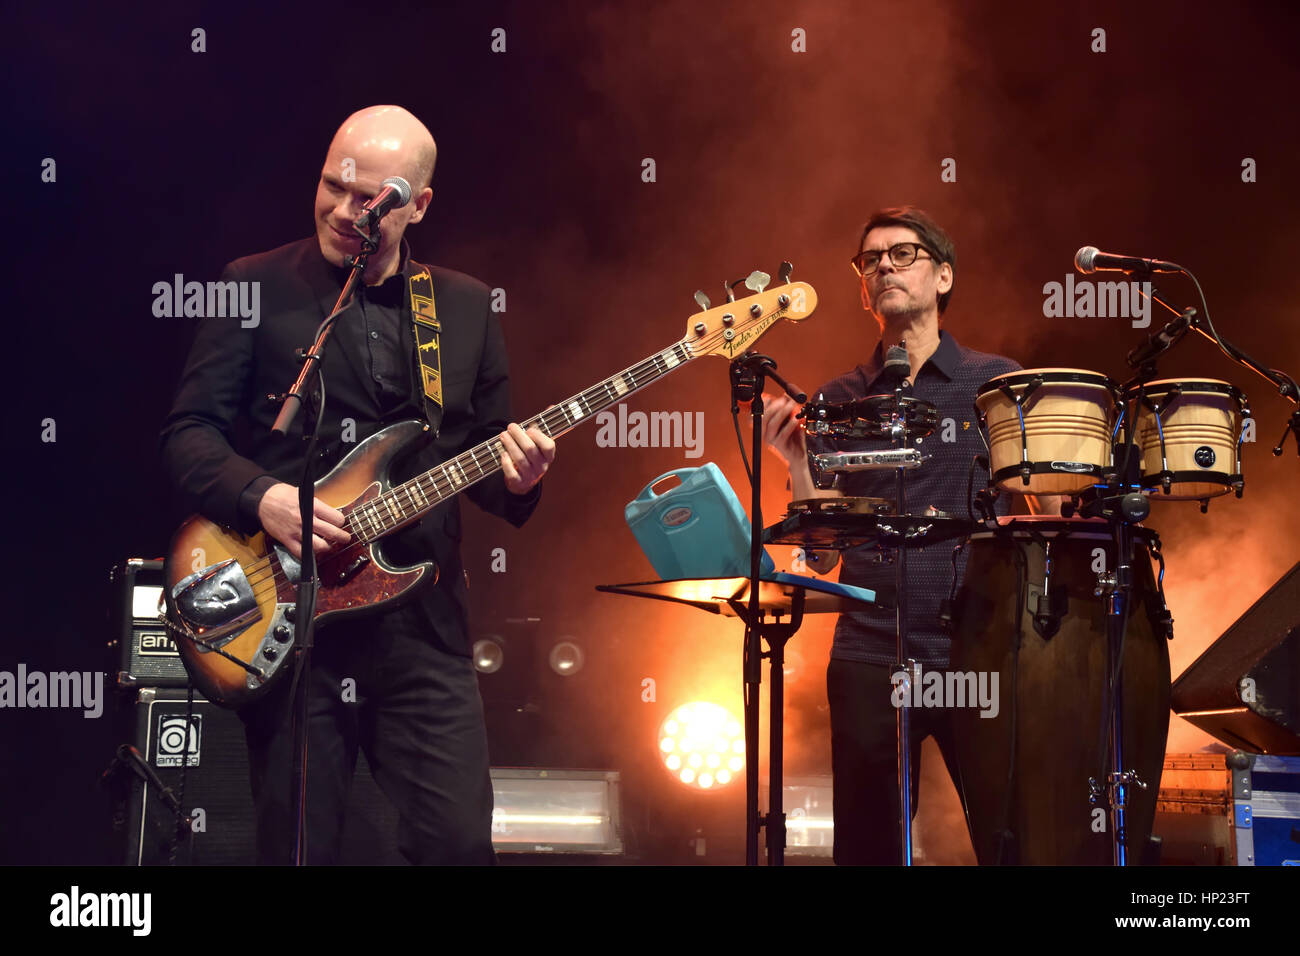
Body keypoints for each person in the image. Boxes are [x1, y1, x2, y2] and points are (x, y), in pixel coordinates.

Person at [159, 105, 555, 864]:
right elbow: (186, 437)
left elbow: (489, 467)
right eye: (333, 186)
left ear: (418, 205)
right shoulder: (253, 286)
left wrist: (524, 477)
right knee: (299, 847)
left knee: (459, 844)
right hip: (295, 617)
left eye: (370, 198)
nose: (345, 210)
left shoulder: (466, 307)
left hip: (421, 628)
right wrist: (263, 497)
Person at [762, 206, 1057, 865]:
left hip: (978, 647)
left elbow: (1040, 512)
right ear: (862, 287)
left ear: (943, 276)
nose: (884, 266)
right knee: (869, 849)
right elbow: (824, 551)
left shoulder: (994, 381)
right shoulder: (841, 396)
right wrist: (800, 464)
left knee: (1014, 839)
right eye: (871, 260)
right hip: (871, 652)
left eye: (903, 254)